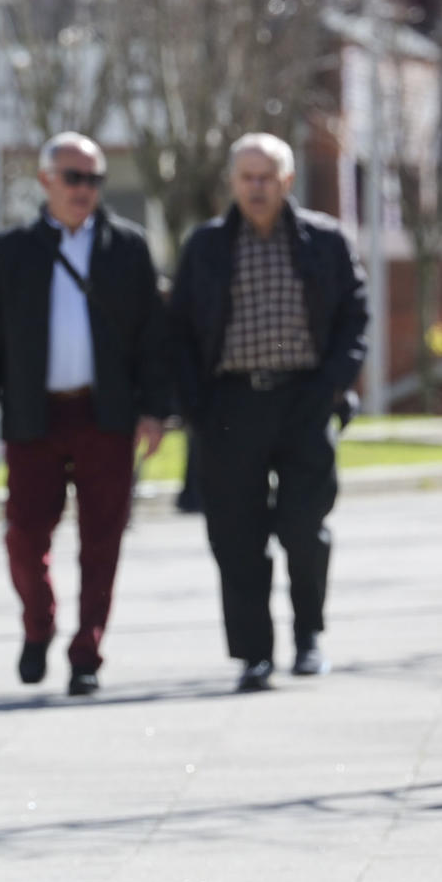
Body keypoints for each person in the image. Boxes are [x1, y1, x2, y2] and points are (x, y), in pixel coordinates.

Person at [0, 132, 170, 696]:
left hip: (107, 416)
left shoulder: (127, 248)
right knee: (24, 537)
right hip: (35, 416)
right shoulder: (12, 250)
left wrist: (156, 411)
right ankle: (39, 625)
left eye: (94, 180)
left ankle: (86, 654)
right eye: (73, 178)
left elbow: (153, 337)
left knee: (103, 540)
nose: (85, 190)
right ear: (46, 180)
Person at [169, 132, 367, 693]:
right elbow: (179, 331)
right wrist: (194, 407)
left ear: (287, 181)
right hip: (229, 406)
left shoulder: (325, 241)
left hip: (304, 399)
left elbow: (356, 316)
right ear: (232, 183)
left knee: (305, 528)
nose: (256, 188)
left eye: (267, 177)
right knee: (236, 536)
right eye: (246, 177)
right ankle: (254, 654)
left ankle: (308, 637)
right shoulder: (207, 246)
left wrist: (331, 385)